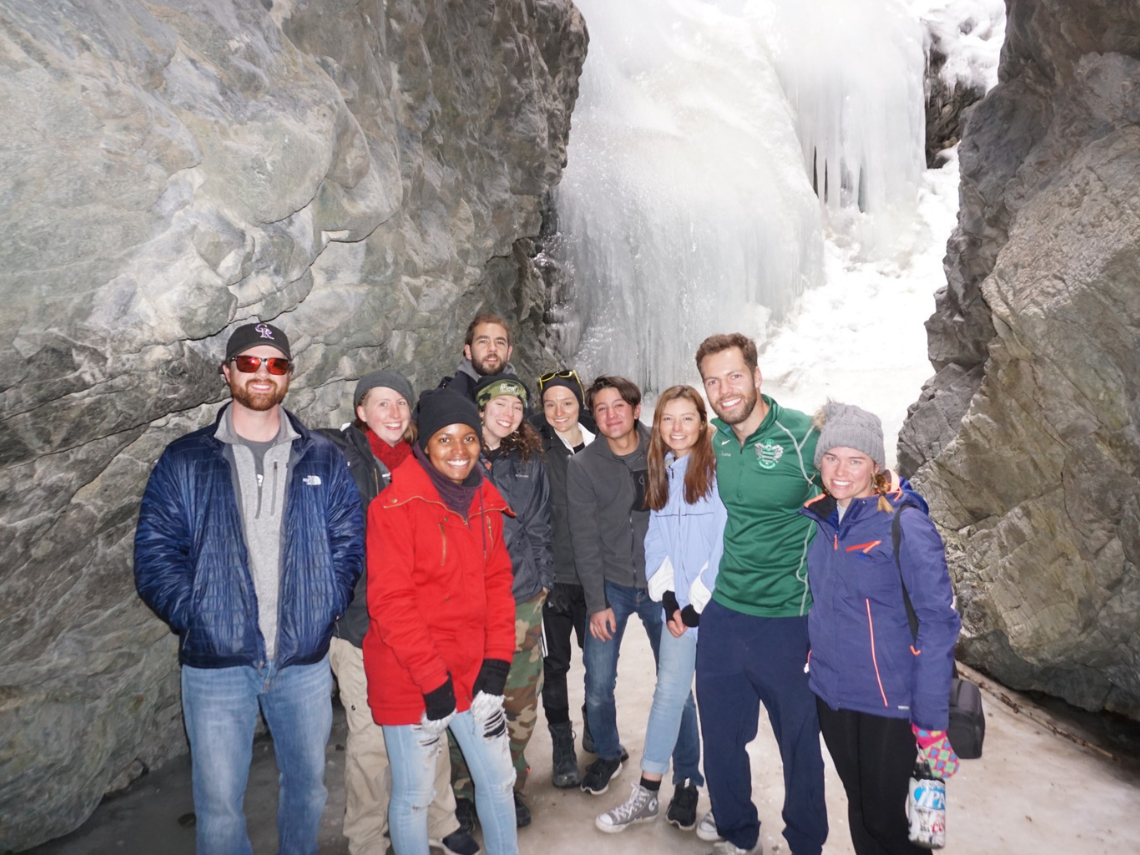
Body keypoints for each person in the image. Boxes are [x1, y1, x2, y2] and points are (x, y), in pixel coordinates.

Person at [134, 322, 364, 855]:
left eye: (276, 364)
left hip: (301, 664)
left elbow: (349, 542)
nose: (263, 373)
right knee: (217, 807)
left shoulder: (322, 458)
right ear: (228, 370)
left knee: (307, 792)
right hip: (216, 667)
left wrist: (321, 607)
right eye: (250, 362)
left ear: (289, 375)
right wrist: (200, 615)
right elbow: (155, 554)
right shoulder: (186, 459)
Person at [321, 370, 478, 855]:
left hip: (420, 622)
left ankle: (441, 820)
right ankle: (367, 838)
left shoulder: (422, 461)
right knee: (371, 740)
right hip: (359, 624)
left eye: (400, 404)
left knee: (430, 721)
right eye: (380, 403)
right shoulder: (339, 461)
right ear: (361, 411)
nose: (393, 413)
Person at [364, 389, 519, 855]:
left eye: (469, 438)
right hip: (412, 674)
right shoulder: (392, 508)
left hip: (473, 666)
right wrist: (432, 680)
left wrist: (497, 660)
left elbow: (498, 584)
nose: (459, 451)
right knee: (414, 796)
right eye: (445, 439)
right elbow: (392, 603)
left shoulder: (485, 502)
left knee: (497, 781)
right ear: (424, 445)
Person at [801, 402, 961, 855]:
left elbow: (938, 622)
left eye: (855, 460)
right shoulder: (823, 521)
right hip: (834, 693)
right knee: (861, 808)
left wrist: (930, 722)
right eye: (831, 458)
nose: (841, 471)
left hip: (891, 700)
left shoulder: (905, 523)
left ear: (876, 466)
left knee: (887, 820)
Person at [694, 333, 828, 855]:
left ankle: (806, 843)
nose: (724, 389)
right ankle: (736, 830)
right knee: (722, 738)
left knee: (799, 742)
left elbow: (859, 486)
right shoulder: (712, 439)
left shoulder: (803, 435)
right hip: (725, 611)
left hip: (788, 616)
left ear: (756, 375)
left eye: (733, 376)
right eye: (712, 380)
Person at [566, 376, 702, 813]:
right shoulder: (583, 466)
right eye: (601, 409)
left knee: (677, 687)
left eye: (618, 406)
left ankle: (686, 777)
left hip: (664, 587)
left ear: (636, 408)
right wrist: (596, 602)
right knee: (598, 683)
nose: (610, 416)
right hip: (613, 587)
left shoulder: (665, 448)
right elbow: (584, 538)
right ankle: (608, 752)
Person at [595, 385, 724, 836]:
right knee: (669, 695)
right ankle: (648, 792)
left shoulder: (718, 470)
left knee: (722, 707)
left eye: (687, 418)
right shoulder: (665, 471)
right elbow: (657, 540)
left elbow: (726, 544)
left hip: (717, 613)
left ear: (703, 423)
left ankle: (727, 804)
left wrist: (697, 606)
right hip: (680, 613)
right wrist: (669, 598)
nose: (676, 428)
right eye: (668, 419)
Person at [447, 374, 553, 828]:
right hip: (468, 602)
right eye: (500, 405)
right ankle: (463, 790)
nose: (509, 414)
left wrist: (543, 582)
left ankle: (509, 786)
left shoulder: (529, 460)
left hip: (522, 599)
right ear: (481, 408)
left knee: (520, 703)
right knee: (467, 696)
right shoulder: (456, 457)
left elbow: (542, 527)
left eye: (517, 406)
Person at [531, 369, 596, 788]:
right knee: (555, 665)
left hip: (593, 578)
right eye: (550, 404)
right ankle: (562, 745)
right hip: (555, 579)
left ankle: (598, 726)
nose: (559, 412)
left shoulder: (600, 446)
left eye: (567, 402)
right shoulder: (535, 450)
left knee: (599, 662)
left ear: (580, 405)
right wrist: (544, 576)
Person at [440, 312, 522, 402]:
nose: (493, 348)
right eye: (483, 341)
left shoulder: (522, 398)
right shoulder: (448, 400)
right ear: (468, 351)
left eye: (500, 342)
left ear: (509, 353)